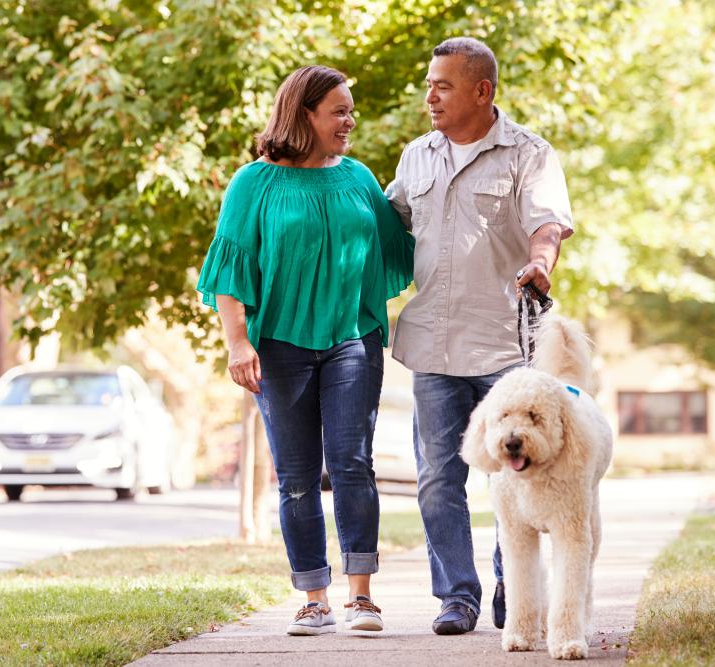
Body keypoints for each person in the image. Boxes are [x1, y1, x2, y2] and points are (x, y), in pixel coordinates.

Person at [197, 65, 414, 636]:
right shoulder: (254, 183)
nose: (350, 120)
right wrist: (237, 340)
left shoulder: (359, 178)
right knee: (296, 476)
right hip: (279, 348)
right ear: (304, 115)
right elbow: (230, 267)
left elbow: (403, 242)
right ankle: (314, 596)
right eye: (339, 111)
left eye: (350, 110)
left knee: (352, 464)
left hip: (351, 340)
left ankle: (361, 596)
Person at [385, 37, 574, 635]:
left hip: (505, 347)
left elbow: (548, 223)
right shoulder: (417, 156)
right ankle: (456, 597)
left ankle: (509, 590)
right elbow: (388, 226)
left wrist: (541, 261)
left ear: (482, 91)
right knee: (439, 474)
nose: (430, 95)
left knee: (513, 474)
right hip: (433, 346)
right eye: (429, 83)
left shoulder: (528, 154)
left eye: (443, 85)